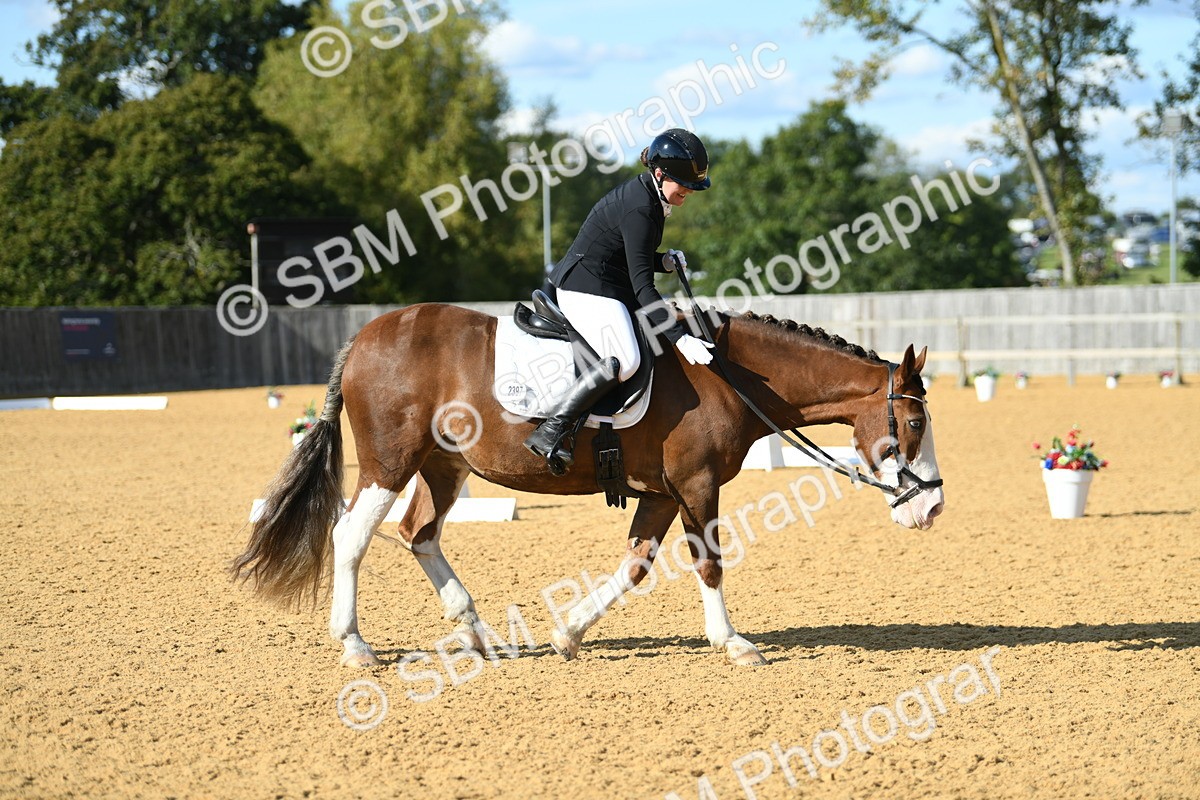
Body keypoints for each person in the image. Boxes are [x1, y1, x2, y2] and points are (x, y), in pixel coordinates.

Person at [523, 128, 716, 473]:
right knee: (624, 359)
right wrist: (680, 337)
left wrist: (662, 261)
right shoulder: (641, 209)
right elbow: (644, 289)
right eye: (682, 184)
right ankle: (551, 430)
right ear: (660, 174)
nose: (688, 191)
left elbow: (629, 254)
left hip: (607, 280)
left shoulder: (649, 198)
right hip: (585, 286)